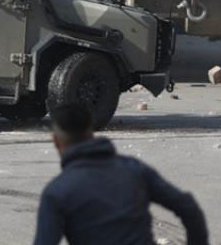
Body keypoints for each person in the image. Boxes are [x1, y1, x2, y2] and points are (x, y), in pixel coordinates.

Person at [34, 104, 209, 245]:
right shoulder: (133, 169)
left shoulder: (57, 192)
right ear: (91, 132)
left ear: (57, 142)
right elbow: (187, 207)